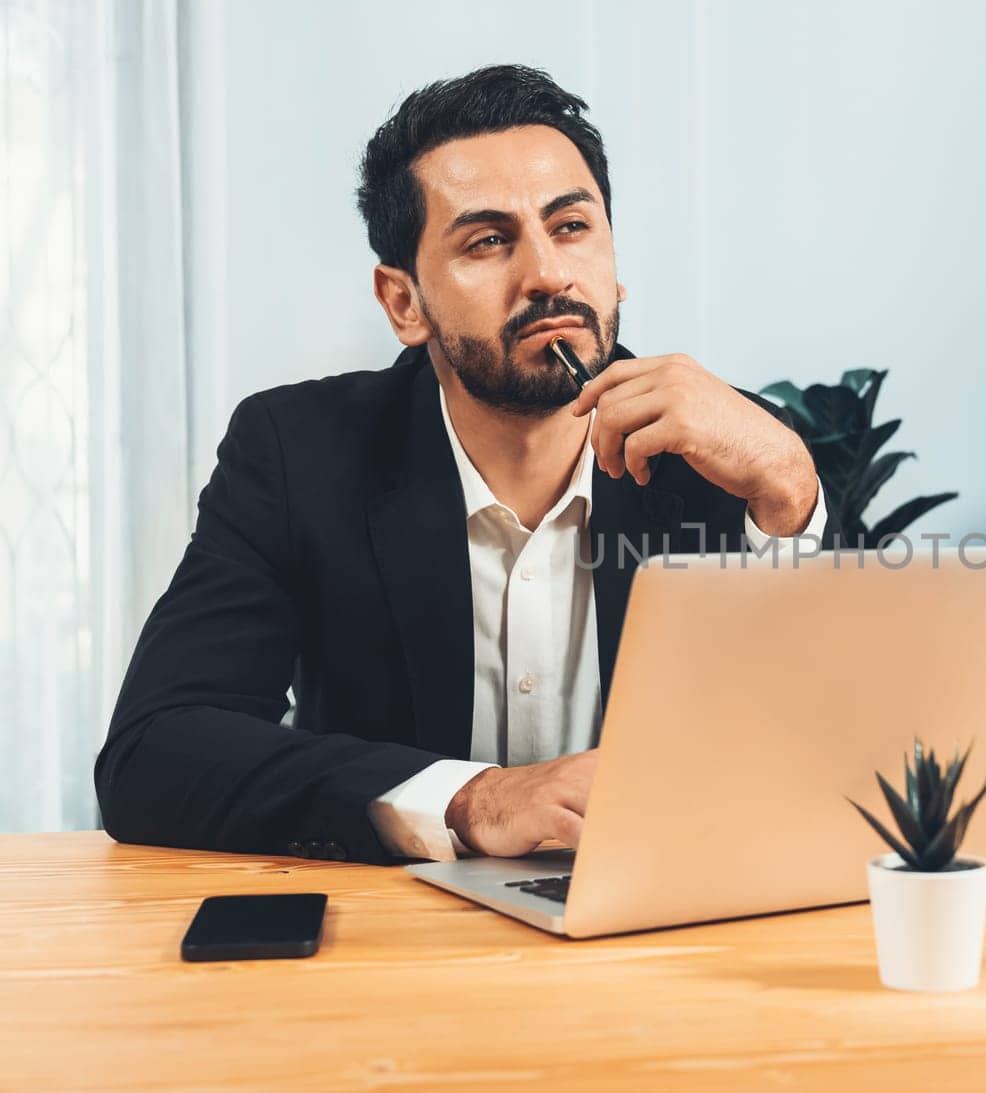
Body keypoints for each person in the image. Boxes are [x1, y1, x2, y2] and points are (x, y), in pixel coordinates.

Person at [95, 65, 830, 866]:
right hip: (396, 949)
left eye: (573, 227)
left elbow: (831, 749)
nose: (548, 273)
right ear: (403, 303)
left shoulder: (730, 454)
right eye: (488, 241)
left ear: (615, 263)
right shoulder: (296, 450)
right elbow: (152, 754)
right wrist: (468, 798)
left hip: (661, 941)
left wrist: (792, 494)